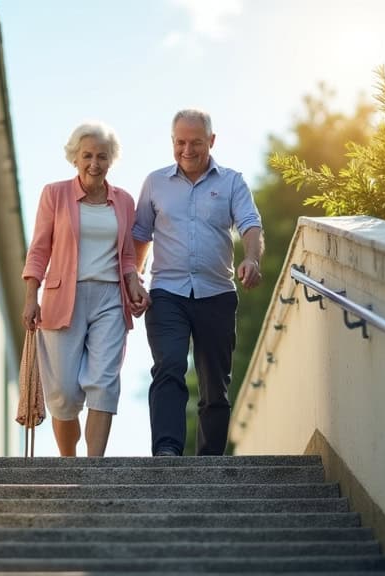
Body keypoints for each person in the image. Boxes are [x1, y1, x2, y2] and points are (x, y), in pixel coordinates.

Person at [132, 109, 264, 456]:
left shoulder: (232, 181)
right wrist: (135, 278)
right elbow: (140, 236)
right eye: (180, 142)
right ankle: (167, 450)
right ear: (172, 141)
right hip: (166, 294)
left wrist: (252, 258)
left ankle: (209, 463)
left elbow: (250, 224)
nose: (187, 150)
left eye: (196, 142)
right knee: (169, 366)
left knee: (215, 386)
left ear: (212, 141)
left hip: (217, 294)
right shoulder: (155, 182)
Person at [22, 122, 150, 457]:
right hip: (63, 298)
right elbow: (39, 249)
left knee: (104, 383)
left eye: (102, 156)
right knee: (63, 393)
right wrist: (30, 296)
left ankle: (94, 469)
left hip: (110, 299)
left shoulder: (123, 201)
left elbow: (126, 255)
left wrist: (135, 284)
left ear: (111, 161)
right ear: (75, 158)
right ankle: (70, 462)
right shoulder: (55, 194)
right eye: (87, 155)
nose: (95, 163)